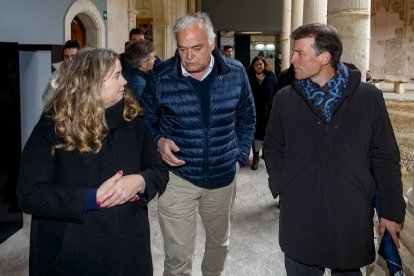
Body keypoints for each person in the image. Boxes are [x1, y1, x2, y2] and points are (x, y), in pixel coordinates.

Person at [263, 23, 406, 275]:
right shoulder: (284, 99)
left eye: (299, 53)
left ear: (324, 57)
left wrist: (391, 213)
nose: (291, 59)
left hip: (350, 215)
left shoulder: (368, 98)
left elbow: (385, 158)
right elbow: (273, 146)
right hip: (300, 216)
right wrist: (282, 183)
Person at [18, 48, 169, 276]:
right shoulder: (53, 126)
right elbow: (29, 194)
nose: (126, 81)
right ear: (91, 83)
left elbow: (158, 170)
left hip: (128, 251)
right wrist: (90, 198)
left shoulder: (133, 119)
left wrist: (140, 181)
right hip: (72, 253)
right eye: (117, 75)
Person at [140, 12, 255, 275]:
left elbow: (247, 117)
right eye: (182, 49)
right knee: (177, 257)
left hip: (222, 177)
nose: (189, 56)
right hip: (177, 177)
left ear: (212, 45)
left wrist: (238, 155)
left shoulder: (235, 73)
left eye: (196, 48)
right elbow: (145, 121)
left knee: (219, 243)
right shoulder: (160, 76)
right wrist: (158, 141)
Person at [247, 55, 277, 170]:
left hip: (268, 111)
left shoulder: (271, 77)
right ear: (253, 66)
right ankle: (255, 157)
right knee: (255, 134)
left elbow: (276, 92)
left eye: (260, 64)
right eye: (256, 65)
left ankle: (266, 153)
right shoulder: (249, 77)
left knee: (268, 133)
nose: (259, 66)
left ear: (264, 64)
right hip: (253, 110)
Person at [42, 40, 80, 105]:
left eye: (73, 56)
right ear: (63, 57)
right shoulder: (56, 74)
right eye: (66, 56)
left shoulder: (85, 73)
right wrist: (57, 82)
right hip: (61, 113)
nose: (70, 60)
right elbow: (45, 100)